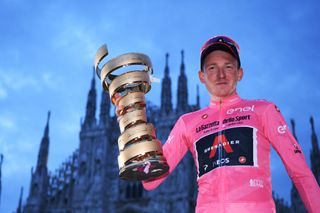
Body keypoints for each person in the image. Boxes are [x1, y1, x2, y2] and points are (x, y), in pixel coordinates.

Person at [142, 35, 320, 212]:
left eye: (228, 66)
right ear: (202, 76)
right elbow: (150, 180)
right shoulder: (187, 122)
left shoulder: (262, 110)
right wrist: (145, 147)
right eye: (212, 68)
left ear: (239, 73)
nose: (220, 74)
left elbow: (301, 174)